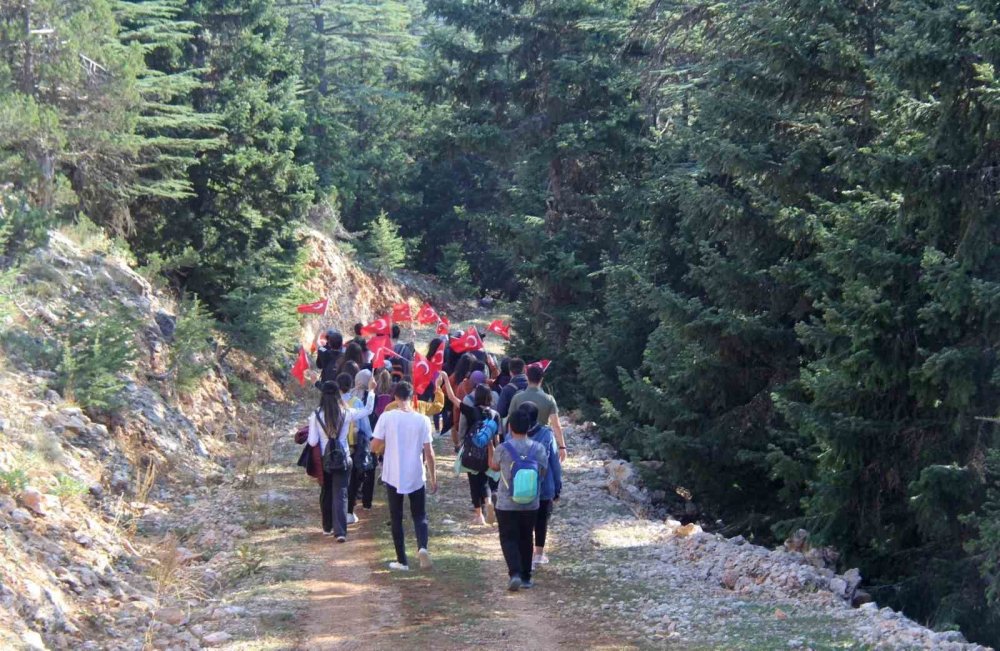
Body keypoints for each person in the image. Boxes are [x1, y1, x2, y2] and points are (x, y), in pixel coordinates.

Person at [372, 382, 437, 571]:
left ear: (395, 397)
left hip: (393, 473)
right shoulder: (422, 420)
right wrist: (433, 477)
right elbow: (429, 452)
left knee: (396, 516)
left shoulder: (387, 417)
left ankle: (402, 560)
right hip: (416, 473)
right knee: (420, 515)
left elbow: (375, 445)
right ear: (412, 397)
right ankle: (422, 547)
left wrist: (373, 450)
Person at [307, 376, 375, 542]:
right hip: (344, 457)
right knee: (341, 493)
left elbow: (312, 441)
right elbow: (367, 410)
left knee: (326, 491)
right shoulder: (346, 412)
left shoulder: (316, 415)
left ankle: (327, 527)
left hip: (325, 460)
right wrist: (372, 391)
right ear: (338, 394)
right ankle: (341, 532)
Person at [487, 408, 547, 591]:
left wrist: (490, 446)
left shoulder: (503, 448)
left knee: (508, 537)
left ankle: (514, 573)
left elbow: (494, 467)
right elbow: (542, 472)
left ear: (510, 427)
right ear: (529, 427)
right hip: (531, 502)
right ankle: (527, 577)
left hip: (506, 502)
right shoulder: (539, 448)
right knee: (526, 537)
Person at [518, 402, 562, 568]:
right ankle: (539, 554)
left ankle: (526, 556)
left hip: (521, 487)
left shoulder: (514, 434)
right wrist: (557, 486)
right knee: (541, 519)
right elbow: (554, 463)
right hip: (544, 486)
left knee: (525, 521)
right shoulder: (547, 434)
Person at [458, 384, 501, 526]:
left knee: (473, 483)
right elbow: (497, 438)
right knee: (484, 481)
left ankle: (479, 516)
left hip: (472, 452)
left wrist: (445, 379)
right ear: (490, 397)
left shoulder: (472, 411)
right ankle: (488, 502)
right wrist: (495, 453)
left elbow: (453, 399)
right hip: (487, 452)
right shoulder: (495, 415)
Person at [508, 365, 568, 462]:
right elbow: (556, 425)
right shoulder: (549, 399)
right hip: (542, 440)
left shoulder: (517, 398)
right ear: (541, 379)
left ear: (527, 377)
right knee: (550, 468)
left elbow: (511, 422)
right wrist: (562, 447)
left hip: (520, 440)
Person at [347, 370, 376, 522]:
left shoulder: (347, 396)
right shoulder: (359, 401)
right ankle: (356, 507)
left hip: (340, 444)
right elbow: (365, 424)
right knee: (358, 475)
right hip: (358, 444)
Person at [383, 371, 450, 417]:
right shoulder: (420, 405)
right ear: (412, 391)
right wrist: (438, 386)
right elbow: (437, 406)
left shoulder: (389, 407)